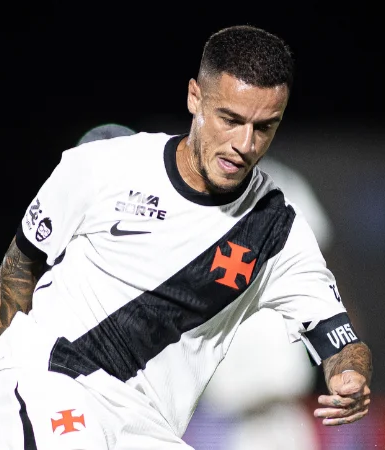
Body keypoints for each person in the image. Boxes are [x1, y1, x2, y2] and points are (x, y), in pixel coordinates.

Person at [0, 24, 373, 450]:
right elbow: (21, 262)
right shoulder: (103, 165)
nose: (245, 144)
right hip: (52, 380)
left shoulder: (278, 231)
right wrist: (9, 369)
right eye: (230, 120)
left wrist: (349, 373)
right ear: (195, 97)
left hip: (144, 427)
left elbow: (339, 338)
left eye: (264, 127)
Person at [74, 123, 333, 450]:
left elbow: (318, 271)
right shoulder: (191, 194)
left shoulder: (283, 187)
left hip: (279, 416)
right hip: (230, 422)